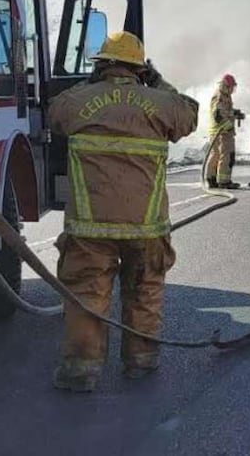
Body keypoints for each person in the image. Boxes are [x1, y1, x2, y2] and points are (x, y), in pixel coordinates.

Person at [48, 31, 198, 392]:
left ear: (101, 64)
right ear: (139, 68)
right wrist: (157, 81)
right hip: (146, 228)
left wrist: (91, 84)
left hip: (90, 228)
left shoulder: (78, 100)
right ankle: (141, 363)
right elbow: (189, 114)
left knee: (87, 295)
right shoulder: (161, 103)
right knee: (145, 290)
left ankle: (82, 371)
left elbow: (55, 114)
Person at [205, 74, 241, 189]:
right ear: (227, 86)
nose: (233, 90)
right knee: (227, 156)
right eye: (232, 87)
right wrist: (228, 126)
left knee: (215, 155)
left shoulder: (223, 95)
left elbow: (224, 111)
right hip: (223, 132)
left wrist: (235, 113)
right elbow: (218, 115)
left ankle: (211, 178)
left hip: (216, 132)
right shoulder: (221, 96)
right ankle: (224, 181)